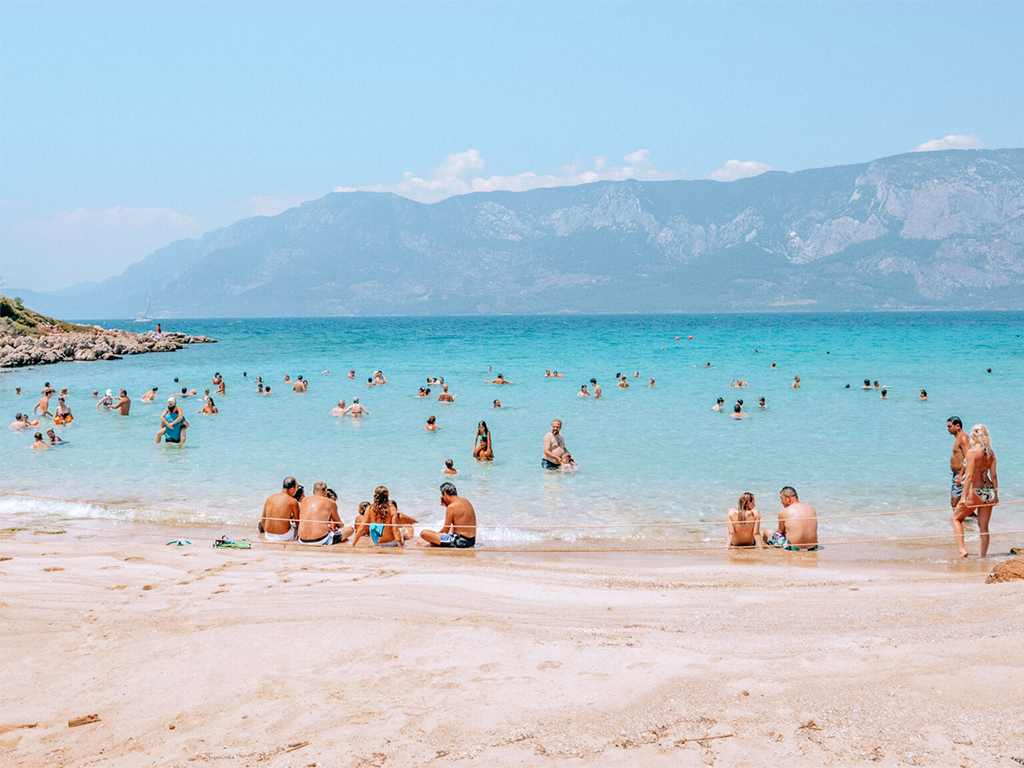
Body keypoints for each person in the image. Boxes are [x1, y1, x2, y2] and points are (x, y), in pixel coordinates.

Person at [952, 424, 998, 558]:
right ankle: (982, 556)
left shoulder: (972, 453)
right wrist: (996, 494)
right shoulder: (991, 454)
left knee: (956, 518)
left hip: (975, 490)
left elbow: (969, 476)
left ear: (973, 436)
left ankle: (962, 550)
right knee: (984, 527)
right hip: (989, 491)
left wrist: (963, 497)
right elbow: (994, 476)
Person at [419, 482, 477, 548]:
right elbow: (457, 518)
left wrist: (432, 539)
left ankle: (433, 544)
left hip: (460, 542)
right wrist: (447, 506)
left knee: (423, 533)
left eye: (442, 496)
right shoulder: (465, 500)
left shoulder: (451, 507)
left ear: (445, 494)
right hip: (471, 541)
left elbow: (445, 531)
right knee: (452, 528)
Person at [298, 481, 352, 545]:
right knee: (350, 529)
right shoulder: (330, 502)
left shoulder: (304, 500)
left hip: (302, 540)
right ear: (326, 491)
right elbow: (338, 523)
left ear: (313, 491)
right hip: (320, 540)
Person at [260, 477, 301, 542]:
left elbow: (263, 519)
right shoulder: (293, 501)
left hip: (268, 535)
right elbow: (298, 523)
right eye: (296, 488)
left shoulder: (270, 498)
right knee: (297, 529)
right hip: (284, 536)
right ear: (292, 489)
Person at [947, 417, 970, 509]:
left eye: (949, 426)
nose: (947, 429)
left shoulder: (963, 438)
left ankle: (976, 517)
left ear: (957, 426)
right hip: (956, 474)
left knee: (956, 504)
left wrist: (961, 476)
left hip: (961, 474)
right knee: (955, 503)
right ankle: (972, 518)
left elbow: (968, 458)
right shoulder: (958, 438)